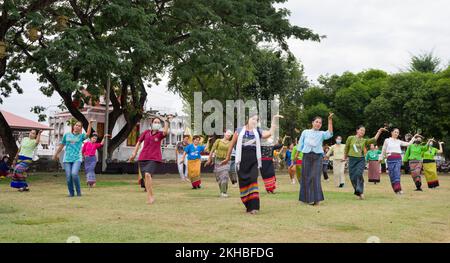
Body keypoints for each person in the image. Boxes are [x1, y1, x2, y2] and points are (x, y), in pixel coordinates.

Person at [221, 113, 283, 214]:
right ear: (247, 119)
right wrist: (227, 157)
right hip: (241, 161)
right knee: (244, 183)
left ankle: (254, 207)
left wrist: (274, 120)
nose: (254, 121)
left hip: (254, 161)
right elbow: (231, 144)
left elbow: (270, 133)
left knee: (253, 180)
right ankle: (248, 205)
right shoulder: (239, 130)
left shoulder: (258, 131)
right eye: (253, 119)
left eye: (256, 120)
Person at [128, 116, 171, 204]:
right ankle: (149, 196)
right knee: (146, 179)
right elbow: (139, 142)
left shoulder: (159, 134)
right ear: (151, 124)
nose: (157, 124)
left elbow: (165, 132)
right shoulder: (146, 132)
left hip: (154, 158)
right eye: (155, 122)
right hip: (143, 158)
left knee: (148, 174)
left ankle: (151, 197)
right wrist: (134, 153)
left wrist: (166, 121)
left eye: (158, 122)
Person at [295, 113, 334, 206]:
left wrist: (330, 120)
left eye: (320, 123)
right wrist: (297, 154)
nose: (318, 124)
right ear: (312, 123)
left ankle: (317, 200)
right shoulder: (305, 132)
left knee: (315, 177)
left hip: (318, 157)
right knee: (306, 177)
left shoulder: (322, 134)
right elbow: (300, 143)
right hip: (306, 156)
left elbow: (330, 133)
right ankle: (306, 199)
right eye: (316, 122)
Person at [344, 126, 387, 200]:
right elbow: (346, 148)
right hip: (351, 159)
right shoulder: (350, 138)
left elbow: (374, 139)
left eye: (364, 131)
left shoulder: (364, 140)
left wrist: (379, 131)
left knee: (358, 174)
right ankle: (358, 191)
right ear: (357, 130)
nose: (362, 132)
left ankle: (361, 192)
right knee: (352, 177)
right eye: (361, 130)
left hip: (361, 159)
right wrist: (344, 157)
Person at [54, 120, 93, 197]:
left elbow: (88, 134)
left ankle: (79, 192)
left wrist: (90, 124)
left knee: (74, 174)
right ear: (73, 126)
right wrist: (56, 154)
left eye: (79, 126)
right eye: (76, 125)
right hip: (67, 159)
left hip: (77, 158)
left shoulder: (81, 136)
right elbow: (61, 146)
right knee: (68, 177)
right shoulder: (67, 135)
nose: (77, 127)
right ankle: (71, 193)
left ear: (81, 128)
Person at [380, 128, 419, 194]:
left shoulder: (399, 141)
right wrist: (381, 158)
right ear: (392, 132)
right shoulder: (387, 140)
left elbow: (408, 144)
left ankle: (398, 189)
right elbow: (383, 149)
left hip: (398, 158)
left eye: (397, 132)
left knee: (397, 173)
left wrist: (414, 137)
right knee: (392, 175)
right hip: (390, 159)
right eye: (395, 132)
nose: (396, 133)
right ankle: (396, 189)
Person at [205, 130, 233, 197]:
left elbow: (230, 152)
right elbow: (212, 150)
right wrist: (209, 159)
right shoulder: (218, 141)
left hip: (226, 161)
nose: (228, 135)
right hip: (218, 161)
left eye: (230, 135)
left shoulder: (231, 143)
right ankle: (222, 191)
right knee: (219, 178)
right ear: (224, 134)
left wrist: (227, 159)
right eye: (228, 134)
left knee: (225, 176)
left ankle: (224, 192)